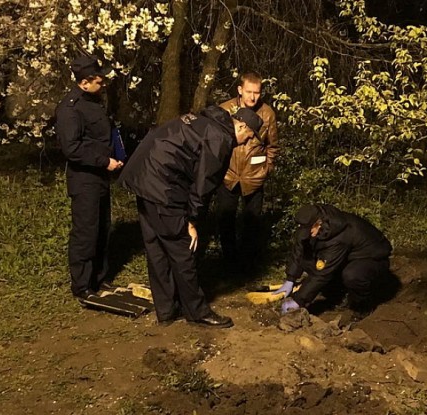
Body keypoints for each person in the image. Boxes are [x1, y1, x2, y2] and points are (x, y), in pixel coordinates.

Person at [118, 106, 263, 328]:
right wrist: (192, 221)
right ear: (241, 125)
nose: (246, 142)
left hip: (143, 176)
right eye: (249, 136)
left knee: (156, 246)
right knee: (182, 249)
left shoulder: (205, 122)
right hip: (162, 185)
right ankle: (197, 312)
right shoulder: (220, 139)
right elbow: (202, 187)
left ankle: (166, 311)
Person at [56, 54, 122, 302]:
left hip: (101, 177)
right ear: (84, 82)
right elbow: (72, 149)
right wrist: (104, 161)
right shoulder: (70, 109)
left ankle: (99, 277)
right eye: (98, 80)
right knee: (86, 231)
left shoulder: (94, 102)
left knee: (103, 228)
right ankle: (82, 285)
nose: (103, 84)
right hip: (85, 180)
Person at [274, 204, 393, 317]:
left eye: (309, 230)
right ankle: (336, 290)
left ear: (319, 223)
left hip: (372, 257)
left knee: (352, 275)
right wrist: (290, 278)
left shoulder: (339, 235)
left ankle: (363, 305)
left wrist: (298, 300)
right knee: (308, 261)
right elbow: (300, 250)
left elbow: (323, 273)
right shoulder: (311, 220)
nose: (307, 233)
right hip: (348, 255)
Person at [217, 71, 279, 265]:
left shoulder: (267, 113)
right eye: (249, 92)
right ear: (240, 90)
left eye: (257, 92)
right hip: (228, 175)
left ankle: (248, 264)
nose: (253, 97)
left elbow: (273, 146)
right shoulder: (225, 109)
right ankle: (229, 262)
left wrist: (267, 168)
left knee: (252, 222)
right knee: (225, 220)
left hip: (255, 176)